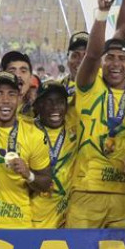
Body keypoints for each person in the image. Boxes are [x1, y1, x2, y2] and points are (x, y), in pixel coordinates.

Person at [66, 0, 125, 229]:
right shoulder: (89, 85)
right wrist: (102, 13)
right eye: (110, 58)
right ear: (102, 62)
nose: (115, 64)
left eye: (122, 59)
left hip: (124, 195)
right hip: (86, 191)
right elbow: (92, 54)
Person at [0, 71, 52, 229]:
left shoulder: (34, 134)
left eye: (11, 94)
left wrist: (29, 174)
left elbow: (46, 183)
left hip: (19, 226)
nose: (5, 100)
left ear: (19, 98)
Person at [31, 81, 79, 228]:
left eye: (60, 102)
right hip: (35, 216)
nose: (55, 107)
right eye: (49, 102)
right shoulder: (27, 130)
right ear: (38, 105)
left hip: (67, 216)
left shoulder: (73, 123)